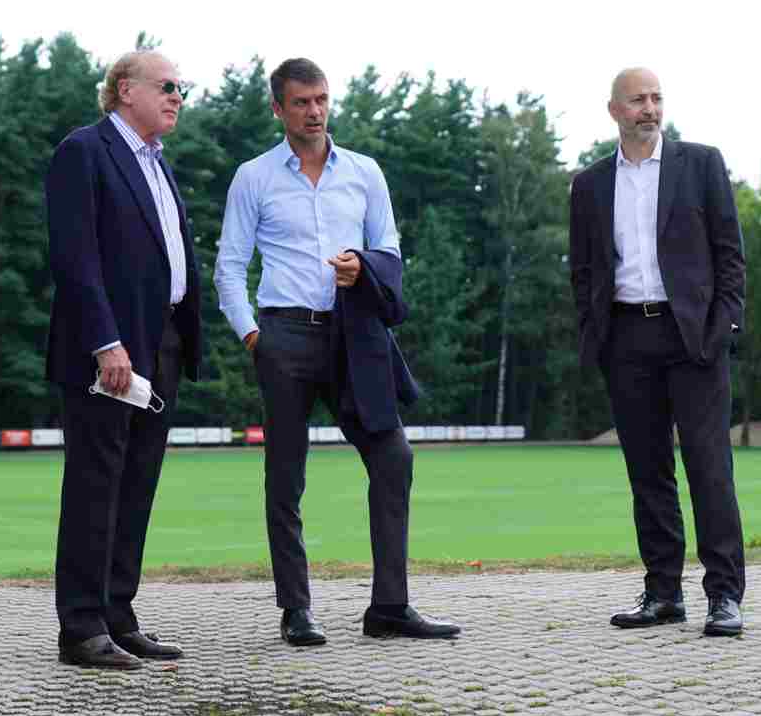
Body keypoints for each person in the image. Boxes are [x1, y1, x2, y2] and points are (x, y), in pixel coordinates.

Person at [214, 57, 460, 647]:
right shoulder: (253, 176)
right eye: (301, 102)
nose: (315, 111)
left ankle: (390, 607)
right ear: (278, 108)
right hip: (284, 336)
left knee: (393, 458)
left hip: (356, 336)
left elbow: (390, 251)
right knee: (285, 476)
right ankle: (296, 609)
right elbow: (229, 267)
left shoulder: (365, 172)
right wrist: (253, 336)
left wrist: (362, 267)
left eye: (321, 99)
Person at [568, 67, 747, 637]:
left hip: (693, 338)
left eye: (656, 98)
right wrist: (594, 332)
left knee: (710, 469)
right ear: (614, 111)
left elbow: (730, 255)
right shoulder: (590, 184)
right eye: (637, 100)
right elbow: (583, 269)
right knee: (648, 473)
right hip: (625, 338)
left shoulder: (702, 164)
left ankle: (724, 595)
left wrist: (723, 328)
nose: (649, 108)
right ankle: (663, 593)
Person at [45, 50, 203, 670]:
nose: (177, 97)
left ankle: (117, 615)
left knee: (137, 485)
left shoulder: (158, 164)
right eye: (166, 86)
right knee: (95, 484)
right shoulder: (84, 151)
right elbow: (75, 257)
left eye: (181, 88)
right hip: (109, 351)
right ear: (124, 90)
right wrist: (105, 343)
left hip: (161, 342)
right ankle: (82, 627)